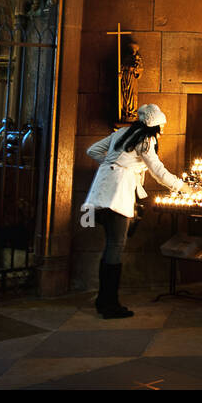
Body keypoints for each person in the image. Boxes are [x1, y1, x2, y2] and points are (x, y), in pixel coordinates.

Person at [81, 103, 189, 319]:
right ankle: (110, 305)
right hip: (117, 195)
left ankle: (104, 300)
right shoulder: (146, 140)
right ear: (155, 126)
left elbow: (92, 150)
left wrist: (114, 162)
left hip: (101, 192)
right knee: (116, 246)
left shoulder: (121, 133)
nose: (163, 130)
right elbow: (158, 171)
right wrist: (182, 187)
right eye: (161, 126)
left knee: (111, 244)